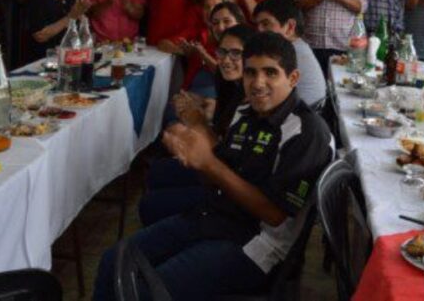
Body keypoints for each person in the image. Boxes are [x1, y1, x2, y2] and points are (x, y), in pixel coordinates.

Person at [93, 32, 335, 300]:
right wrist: (192, 154)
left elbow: (275, 215)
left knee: (146, 289)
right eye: (251, 73)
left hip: (256, 246)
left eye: (270, 73)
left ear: (293, 78)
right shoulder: (245, 113)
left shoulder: (307, 132)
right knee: (113, 261)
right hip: (211, 217)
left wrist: (208, 163)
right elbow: (218, 174)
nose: (258, 83)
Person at [138, 24, 256, 227]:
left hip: (228, 189)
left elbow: (222, 159)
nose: (226, 60)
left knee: (150, 204)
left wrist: (196, 123)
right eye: (222, 52)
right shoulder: (231, 85)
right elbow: (220, 140)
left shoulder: (253, 96)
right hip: (217, 173)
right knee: (155, 173)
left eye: (236, 53)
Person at [252, 0, 326, 110]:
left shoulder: (288, 52)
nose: (259, 31)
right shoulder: (299, 46)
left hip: (298, 118)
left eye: (266, 24)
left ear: (290, 27)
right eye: (257, 26)